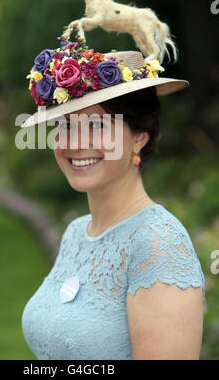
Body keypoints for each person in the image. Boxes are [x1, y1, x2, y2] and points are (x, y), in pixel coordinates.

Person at [20, 35, 205, 360]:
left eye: (96, 126)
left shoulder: (159, 245)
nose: (75, 143)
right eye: (64, 125)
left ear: (138, 138)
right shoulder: (77, 232)